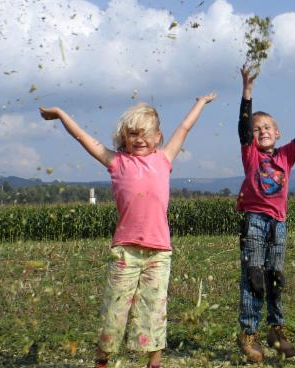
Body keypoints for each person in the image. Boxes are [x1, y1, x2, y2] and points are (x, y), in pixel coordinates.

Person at [39, 93, 216, 368]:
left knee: (154, 311)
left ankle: (154, 363)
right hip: (126, 252)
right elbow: (84, 138)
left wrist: (200, 103)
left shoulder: (164, 159)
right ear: (123, 137)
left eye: (146, 133)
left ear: (158, 137)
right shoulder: (117, 162)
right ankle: (102, 360)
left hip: (159, 252)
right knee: (114, 310)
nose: (139, 139)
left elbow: (184, 127)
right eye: (133, 134)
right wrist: (61, 114)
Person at [235, 65, 295, 362]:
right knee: (254, 276)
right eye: (257, 129)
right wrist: (247, 91)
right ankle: (249, 333)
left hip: (278, 223)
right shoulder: (251, 154)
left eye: (267, 127)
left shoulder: (286, 156)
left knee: (275, 278)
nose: (262, 131)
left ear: (277, 133)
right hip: (254, 220)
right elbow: (243, 127)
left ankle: (276, 330)